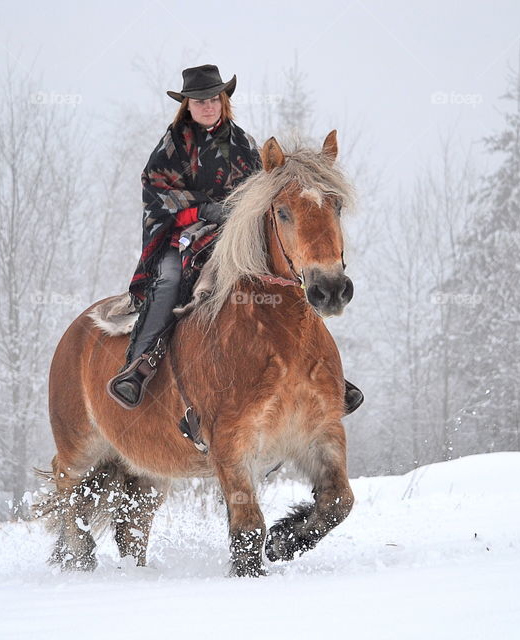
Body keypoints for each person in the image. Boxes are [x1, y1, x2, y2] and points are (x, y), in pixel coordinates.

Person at [106, 64, 364, 417]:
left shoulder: (243, 143)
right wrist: (203, 210)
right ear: (187, 106)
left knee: (287, 279)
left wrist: (243, 217)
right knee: (168, 281)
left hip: (232, 236)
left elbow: (263, 191)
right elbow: (156, 190)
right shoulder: (173, 145)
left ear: (223, 100)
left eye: (213, 98)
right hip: (182, 234)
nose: (207, 106)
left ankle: (329, 371)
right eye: (199, 101)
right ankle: (140, 365)